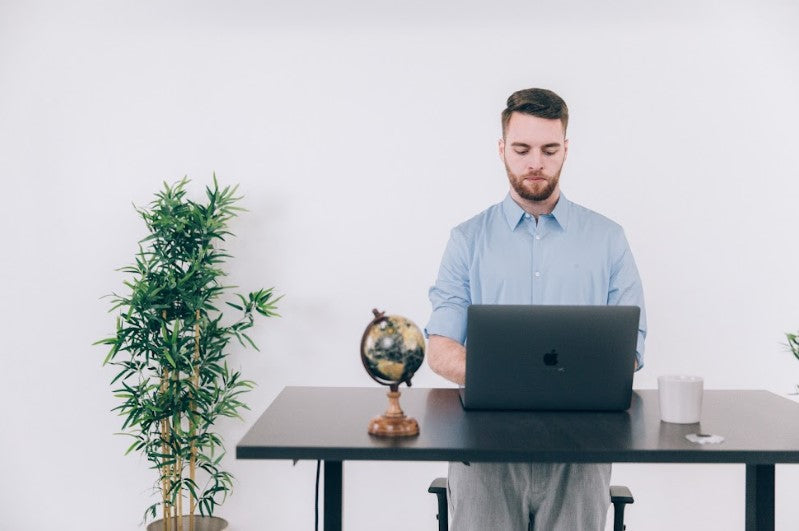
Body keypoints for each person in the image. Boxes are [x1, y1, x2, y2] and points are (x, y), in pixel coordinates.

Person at [425, 87, 647, 531]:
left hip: (582, 453)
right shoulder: (467, 239)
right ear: (502, 148)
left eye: (549, 150)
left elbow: (631, 349)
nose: (535, 163)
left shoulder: (608, 238)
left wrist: (519, 377)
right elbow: (441, 347)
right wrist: (520, 380)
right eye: (522, 149)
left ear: (566, 149)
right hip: (483, 452)